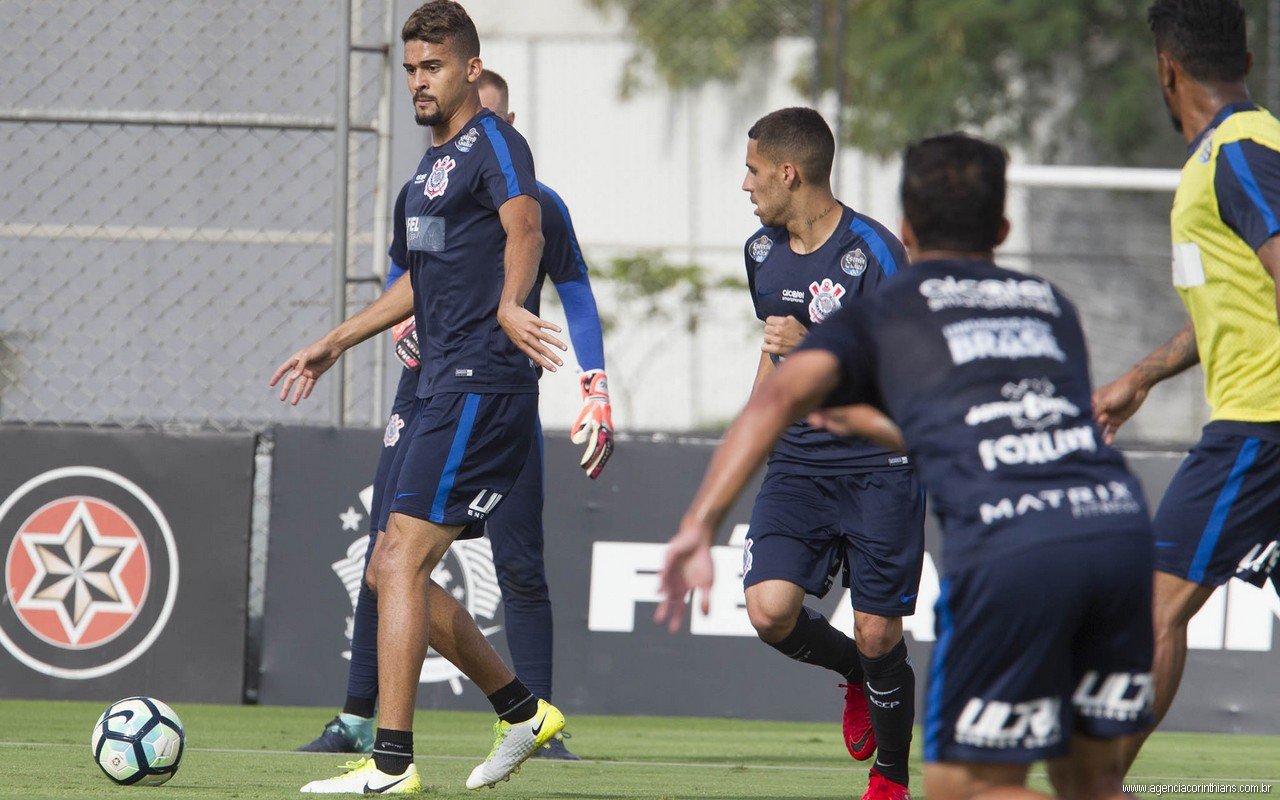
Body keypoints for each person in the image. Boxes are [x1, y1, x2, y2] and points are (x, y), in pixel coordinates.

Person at [658, 133, 1155, 800]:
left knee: (960, 786)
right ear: (1003, 229)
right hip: (1117, 531)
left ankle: (890, 766)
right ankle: (866, 689)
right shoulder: (1051, 305)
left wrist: (700, 522)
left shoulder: (899, 298)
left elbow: (787, 394)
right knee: (1091, 782)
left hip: (1015, 548)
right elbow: (989, 422)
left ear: (906, 231)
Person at [272, 2, 569, 793]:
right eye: (409, 69)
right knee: (387, 569)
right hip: (440, 388)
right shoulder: (422, 179)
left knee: (397, 559)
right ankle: (520, 711)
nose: (418, 82)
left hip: (482, 382)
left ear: (471, 68)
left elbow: (528, 230)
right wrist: (336, 340)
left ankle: (392, 765)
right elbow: (413, 286)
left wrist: (512, 304)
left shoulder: (494, 144)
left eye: (431, 67)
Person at [697, 107, 925, 800]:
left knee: (880, 631)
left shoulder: (876, 254)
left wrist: (820, 350)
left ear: (789, 173)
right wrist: (748, 435)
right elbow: (775, 352)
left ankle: (890, 777)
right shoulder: (759, 253)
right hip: (798, 462)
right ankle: (854, 673)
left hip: (879, 467)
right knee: (769, 610)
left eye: (753, 170)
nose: (745, 185)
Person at [1092, 0, 1280, 771]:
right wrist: (1142, 375)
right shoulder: (1235, 152)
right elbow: (1237, 306)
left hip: (1259, 427)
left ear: (1166, 70)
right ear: (1242, 60)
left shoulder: (1239, 152)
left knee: (1157, 608)